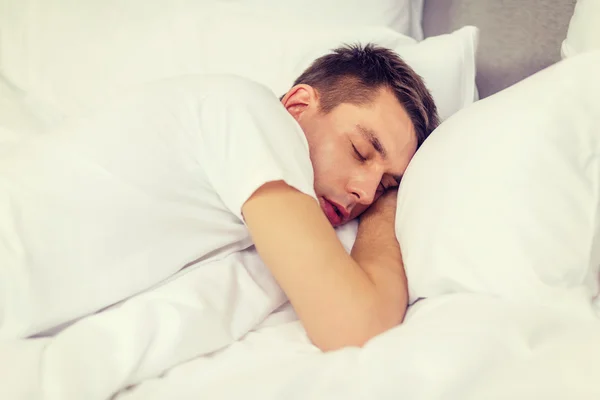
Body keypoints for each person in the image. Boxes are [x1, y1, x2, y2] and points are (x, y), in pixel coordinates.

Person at [0, 44, 439, 350]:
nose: (365, 191)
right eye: (360, 151)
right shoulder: (254, 115)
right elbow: (355, 324)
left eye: (384, 185)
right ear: (298, 105)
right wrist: (387, 207)